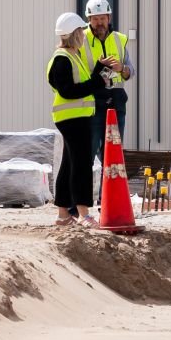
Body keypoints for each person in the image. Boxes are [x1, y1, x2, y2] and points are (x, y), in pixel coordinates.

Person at [46, 12, 112, 224]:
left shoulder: (72, 55)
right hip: (72, 118)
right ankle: (84, 214)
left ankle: (63, 215)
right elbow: (68, 91)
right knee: (81, 164)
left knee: (69, 164)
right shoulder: (62, 59)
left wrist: (100, 68)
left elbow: (82, 84)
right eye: (80, 31)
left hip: (76, 117)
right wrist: (99, 83)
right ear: (74, 34)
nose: (84, 34)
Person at [84, 0, 133, 164]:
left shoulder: (120, 39)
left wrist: (122, 69)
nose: (99, 23)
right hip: (92, 103)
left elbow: (130, 71)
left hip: (117, 102)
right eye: (95, 19)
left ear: (109, 18)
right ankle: (87, 190)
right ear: (89, 20)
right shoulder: (81, 40)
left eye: (103, 18)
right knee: (88, 152)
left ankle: (107, 191)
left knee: (113, 152)